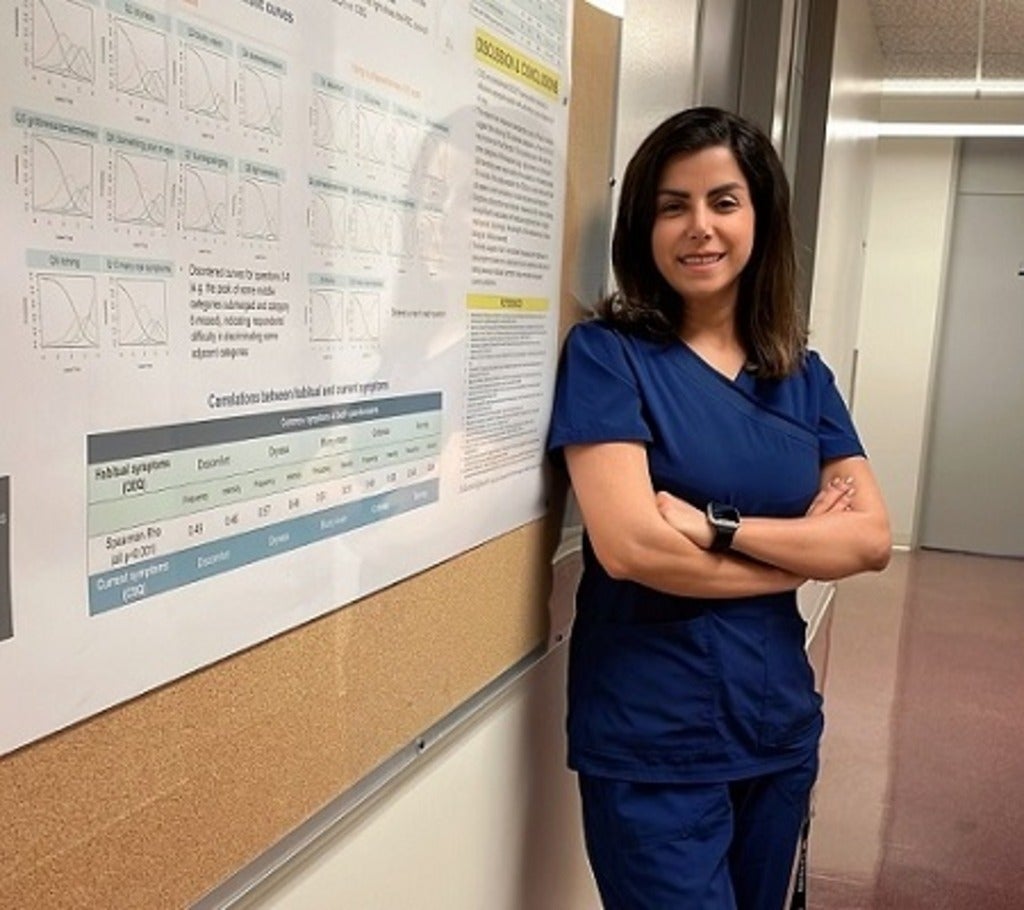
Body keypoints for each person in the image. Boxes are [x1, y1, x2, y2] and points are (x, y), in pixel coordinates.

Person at [545, 106, 891, 909]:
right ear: (644, 224)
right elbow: (634, 550)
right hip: (652, 739)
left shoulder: (800, 375)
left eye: (723, 202)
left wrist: (718, 528)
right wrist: (795, 554)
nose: (699, 228)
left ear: (760, 217)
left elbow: (870, 538)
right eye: (674, 205)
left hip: (776, 725)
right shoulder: (609, 357)